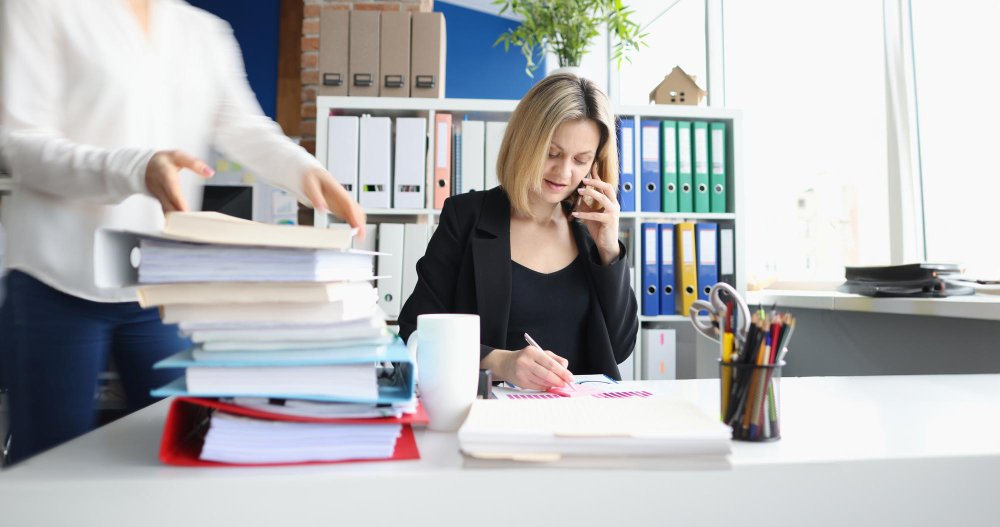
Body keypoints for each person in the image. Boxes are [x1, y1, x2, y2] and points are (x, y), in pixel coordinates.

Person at [0, 0, 365, 463]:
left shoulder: (203, 32)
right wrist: (137, 168)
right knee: (47, 469)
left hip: (161, 288)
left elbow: (244, 126)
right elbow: (21, 146)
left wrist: (306, 171)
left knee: (182, 455)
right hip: (56, 279)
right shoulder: (40, 10)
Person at [398, 73, 638, 389]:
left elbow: (619, 348)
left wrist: (608, 248)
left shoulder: (590, 234)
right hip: (490, 413)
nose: (564, 172)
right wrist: (501, 363)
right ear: (525, 142)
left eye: (581, 160)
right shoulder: (466, 218)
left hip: (580, 417)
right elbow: (415, 335)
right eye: (552, 153)